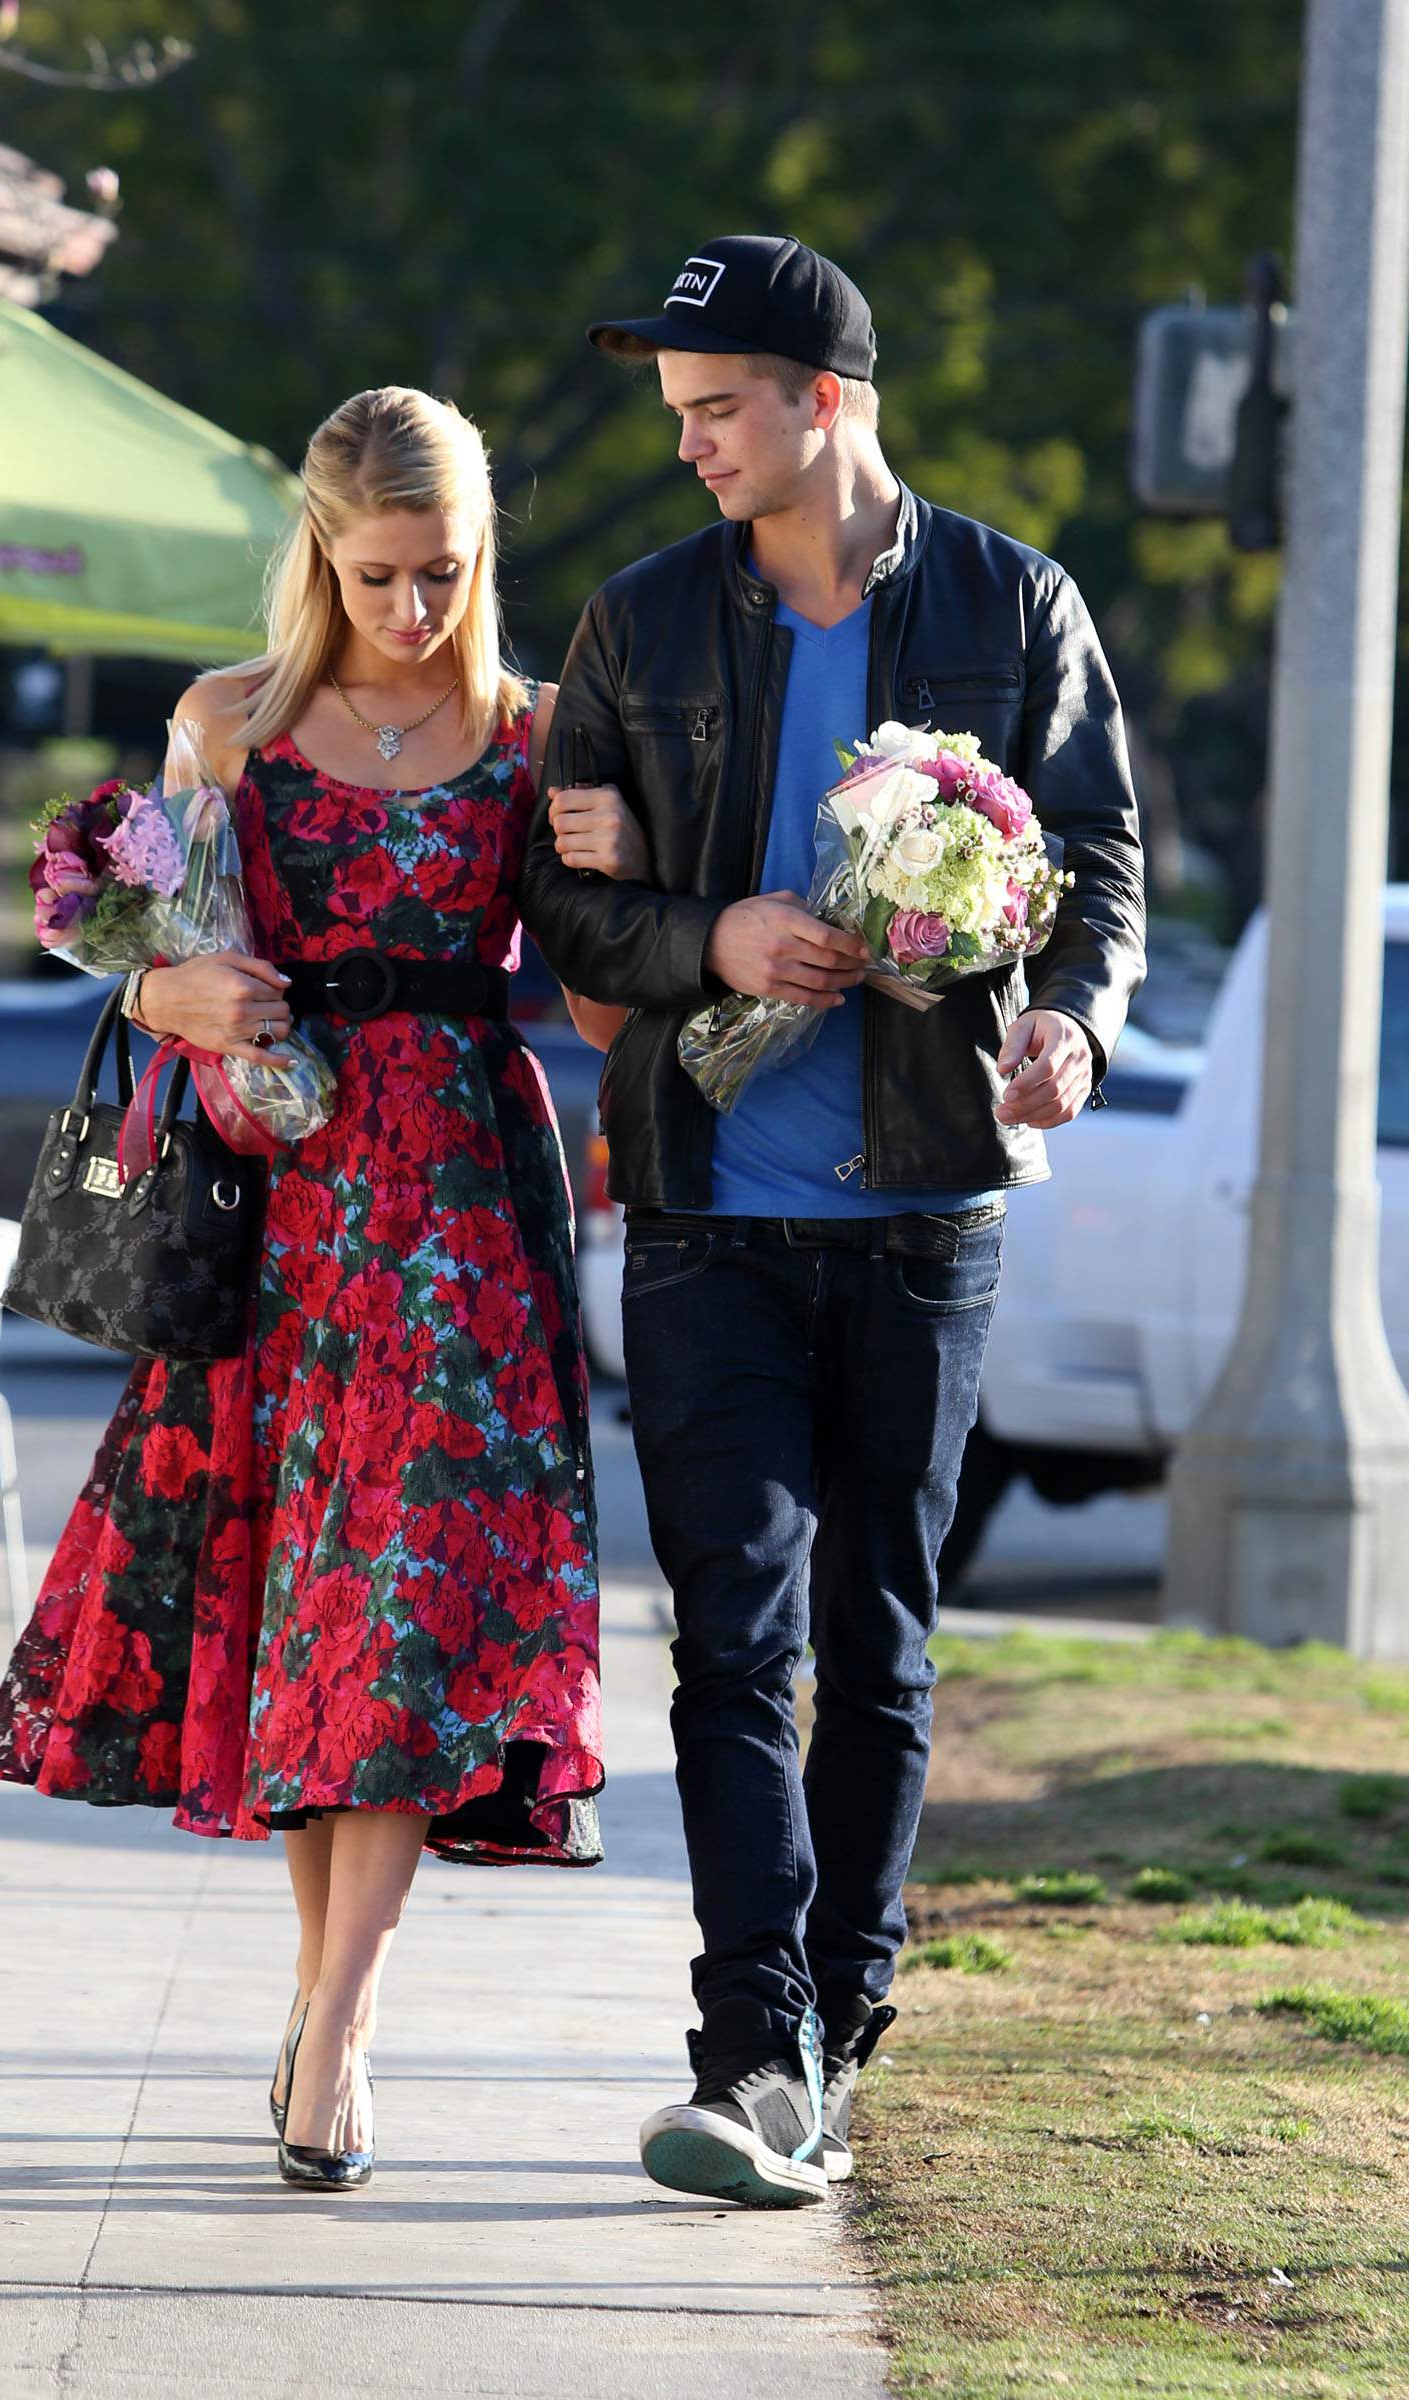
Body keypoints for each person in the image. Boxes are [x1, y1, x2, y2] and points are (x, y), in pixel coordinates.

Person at [521, 235, 1147, 2208]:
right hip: (701, 1204)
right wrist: (703, 929)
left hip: (924, 1205)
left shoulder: (1005, 602)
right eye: (675, 413)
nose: (688, 444)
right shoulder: (636, 625)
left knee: (875, 1644)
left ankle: (833, 2034)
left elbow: (1099, 859)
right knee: (728, 1644)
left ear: (830, 404)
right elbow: (555, 912)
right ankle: (745, 2042)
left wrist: (1070, 1025)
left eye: (718, 409)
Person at [0, 386, 643, 2191]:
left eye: (442, 573)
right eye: (379, 575)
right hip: (284, 1218)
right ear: (319, 555)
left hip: (475, 1226)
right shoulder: (230, 727)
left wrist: (626, 878)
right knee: (306, 1615)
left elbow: (593, 1013)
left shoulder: (540, 732)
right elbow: (160, 960)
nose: (413, 610)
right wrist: (166, 994)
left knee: (414, 1614)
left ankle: (337, 2031)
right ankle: (320, 2006)